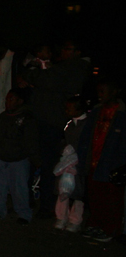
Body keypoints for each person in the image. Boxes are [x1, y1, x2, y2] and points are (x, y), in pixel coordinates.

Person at [19, 40, 90, 218]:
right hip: (40, 119)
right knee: (32, 159)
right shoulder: (59, 67)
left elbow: (46, 80)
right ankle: (26, 201)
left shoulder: (76, 68)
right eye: (63, 48)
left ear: (78, 52)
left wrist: (34, 74)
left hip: (52, 122)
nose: (63, 52)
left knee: (49, 164)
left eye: (68, 49)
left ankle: (48, 205)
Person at [76, 78, 126, 242]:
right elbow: (86, 137)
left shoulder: (121, 113)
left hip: (112, 164)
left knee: (111, 199)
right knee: (95, 196)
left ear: (114, 92)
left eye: (103, 91)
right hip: (94, 161)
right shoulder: (97, 110)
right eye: (98, 91)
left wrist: (120, 164)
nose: (99, 95)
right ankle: (95, 224)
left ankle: (110, 229)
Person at [0, 88, 40, 224]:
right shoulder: (3, 117)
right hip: (1, 158)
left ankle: (24, 214)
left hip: (18, 160)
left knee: (19, 189)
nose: (7, 102)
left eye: (11, 99)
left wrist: (35, 159)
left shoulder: (27, 118)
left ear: (20, 101)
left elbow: (31, 141)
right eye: (7, 99)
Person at [54, 96, 89, 232]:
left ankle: (75, 220)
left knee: (78, 193)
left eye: (70, 108)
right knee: (63, 190)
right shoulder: (69, 124)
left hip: (79, 163)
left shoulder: (87, 124)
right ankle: (61, 217)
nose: (67, 111)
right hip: (66, 163)